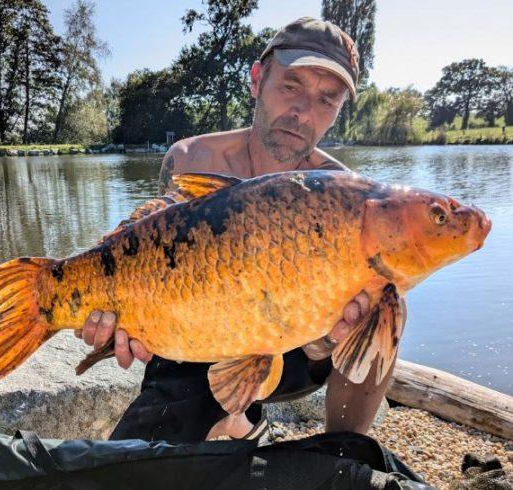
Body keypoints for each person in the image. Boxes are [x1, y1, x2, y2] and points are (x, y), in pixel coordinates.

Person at [76, 17, 404, 442]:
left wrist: (324, 341)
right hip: (200, 331)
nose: (303, 112)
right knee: (152, 437)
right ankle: (234, 421)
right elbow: (151, 265)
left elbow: (322, 338)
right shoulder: (190, 159)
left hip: (294, 347)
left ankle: (343, 449)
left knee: (387, 300)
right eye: (291, 86)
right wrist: (122, 328)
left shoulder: (342, 193)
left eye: (327, 99)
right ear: (256, 80)